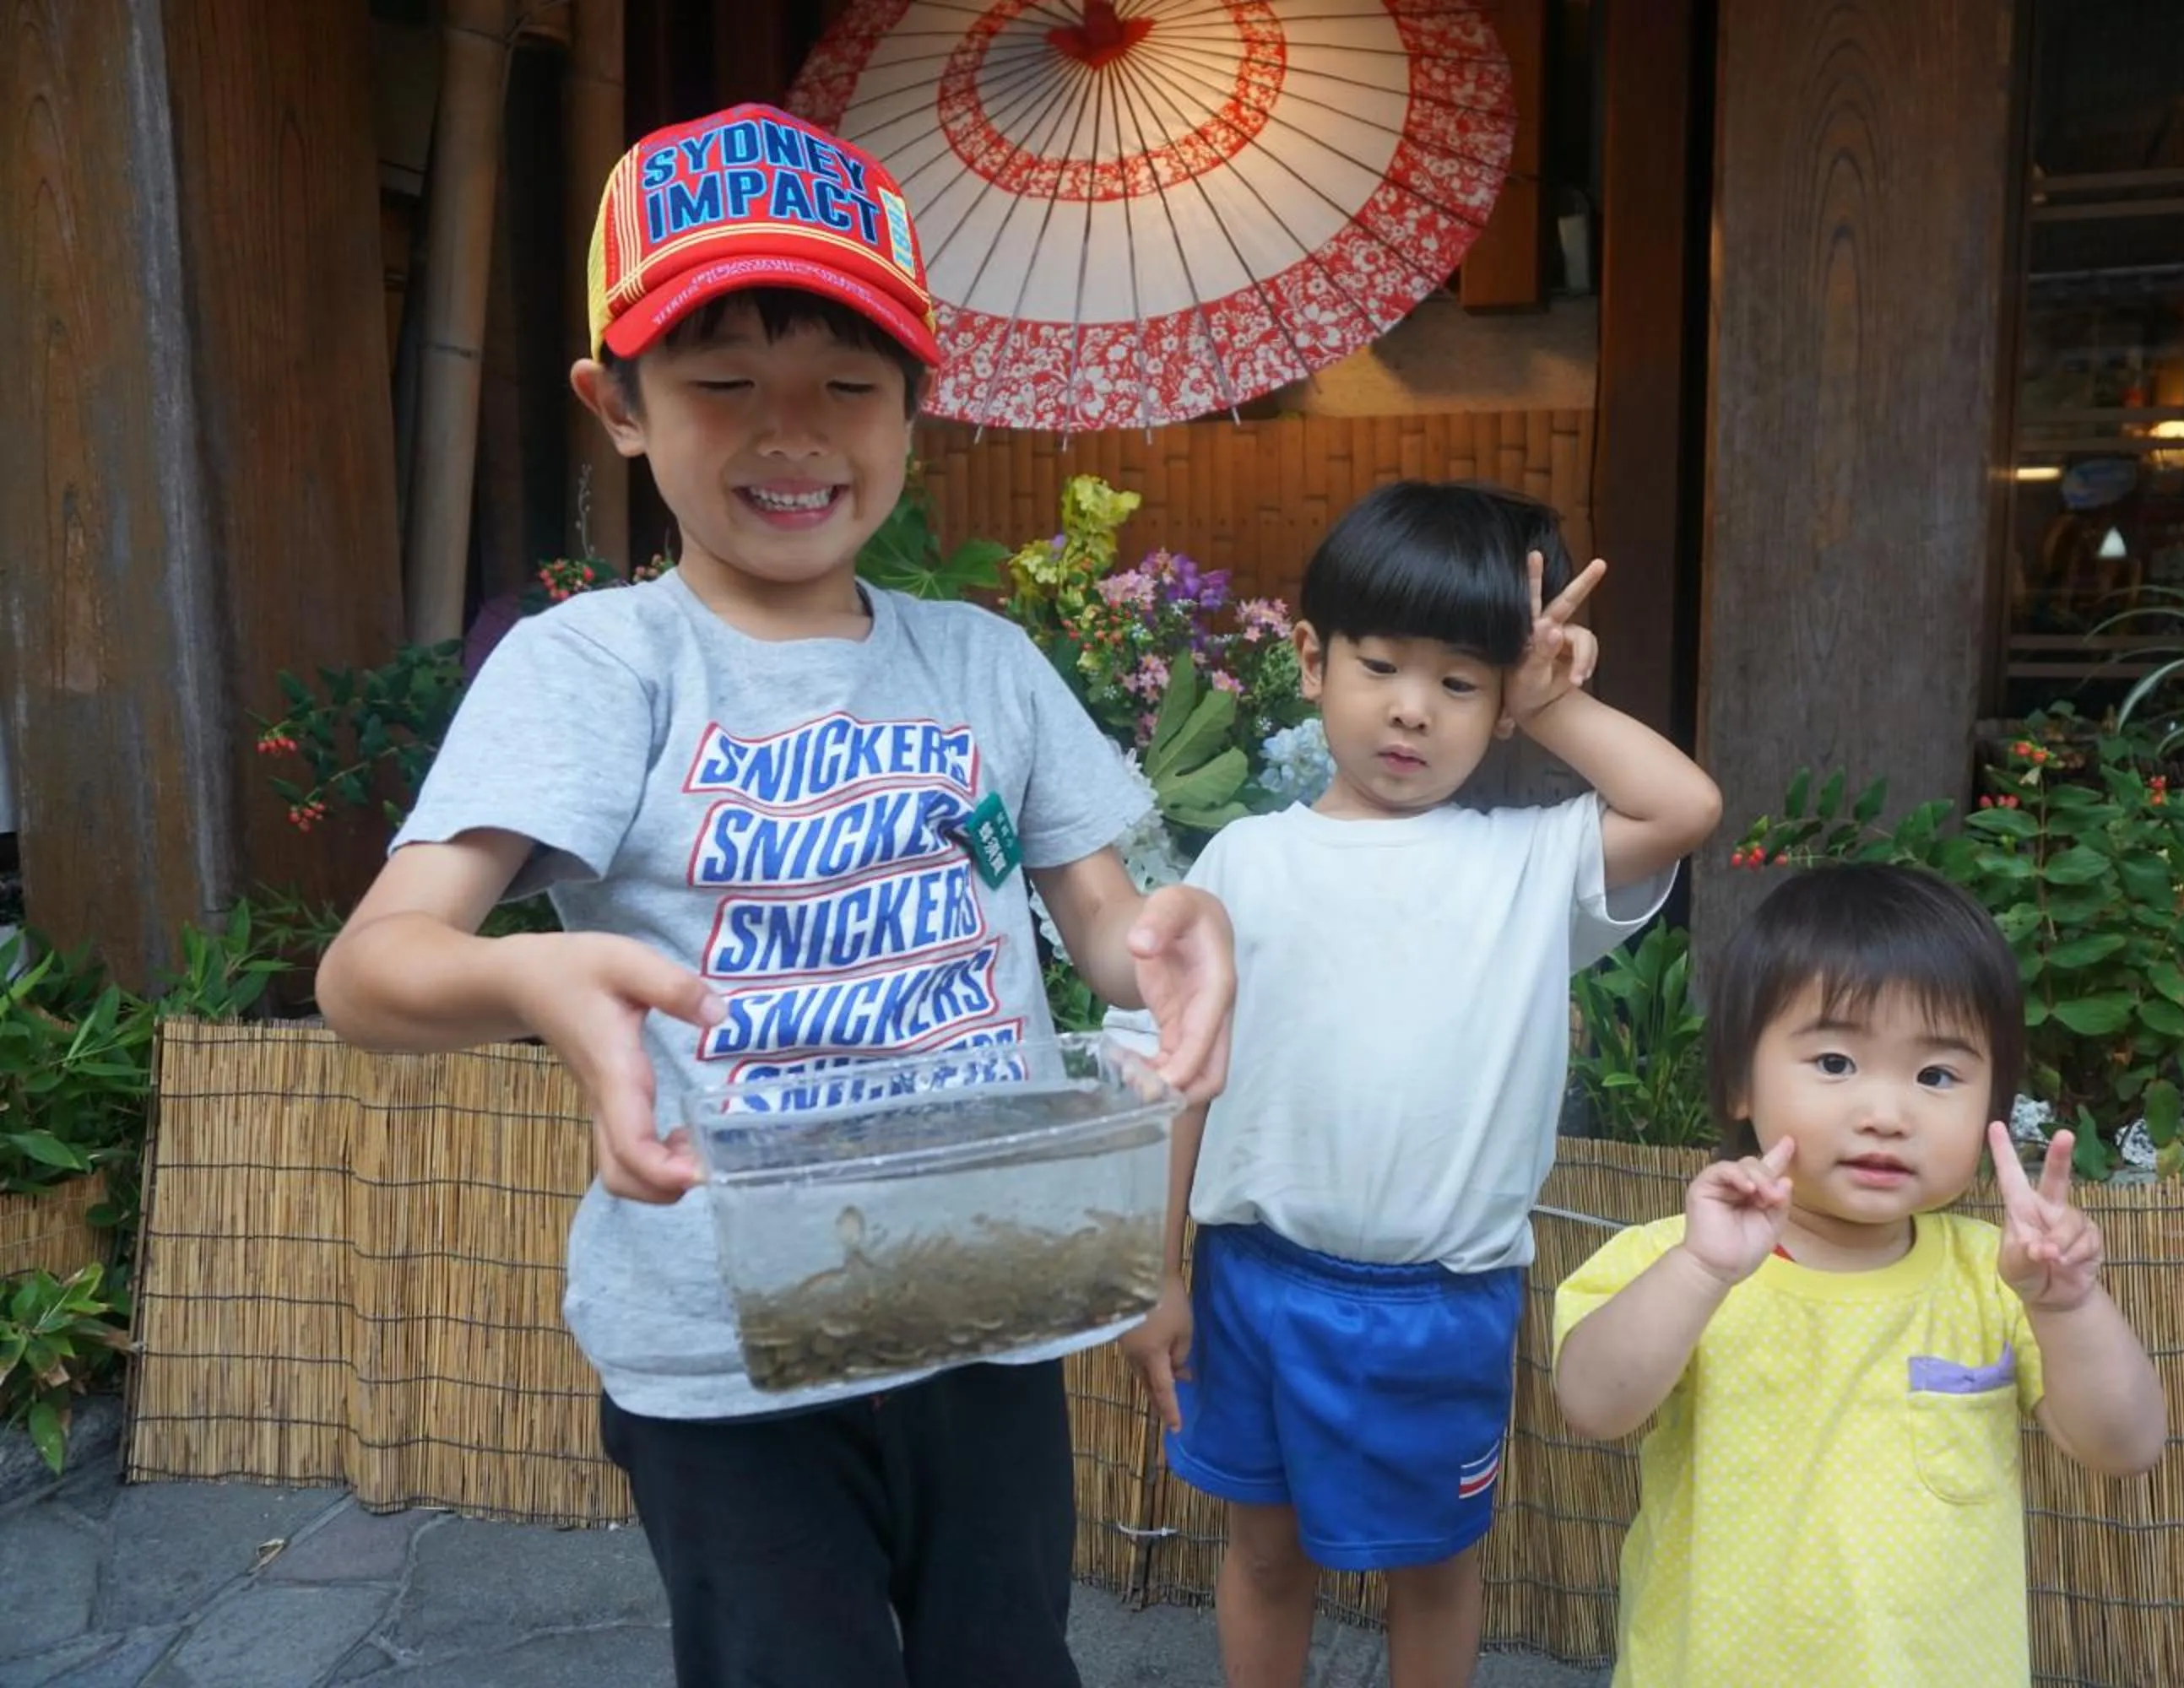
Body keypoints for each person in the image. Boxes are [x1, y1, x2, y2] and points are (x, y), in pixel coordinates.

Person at [313, 103, 1234, 1688]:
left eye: (849, 387)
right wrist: (538, 980)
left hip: (981, 1293)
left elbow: (1107, 923)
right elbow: (371, 968)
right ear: (620, 404)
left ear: (916, 411)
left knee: (1006, 1660)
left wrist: (1170, 936)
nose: (792, 433)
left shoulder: (983, 665)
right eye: (724, 383)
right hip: (723, 1342)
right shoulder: (603, 669)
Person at [1110, 480, 1723, 1687]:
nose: (1411, 710)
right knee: (1266, 1552)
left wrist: (1560, 705)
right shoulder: (1244, 860)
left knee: (1436, 1567)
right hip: (1254, 1283)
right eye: (1382, 664)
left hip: (1440, 1303)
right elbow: (1183, 1080)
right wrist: (1158, 1271)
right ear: (1310, 658)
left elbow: (1684, 806)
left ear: (1502, 701)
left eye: (1460, 681)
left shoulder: (1533, 864)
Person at [1553, 863, 2165, 1686]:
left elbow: (2124, 1446)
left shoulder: (1998, 1277)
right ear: (1740, 1080)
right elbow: (1592, 1405)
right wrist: (1700, 1268)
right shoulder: (1674, 1258)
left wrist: (2071, 1305)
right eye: (1836, 1061)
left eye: (1937, 1075)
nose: (1887, 1111)